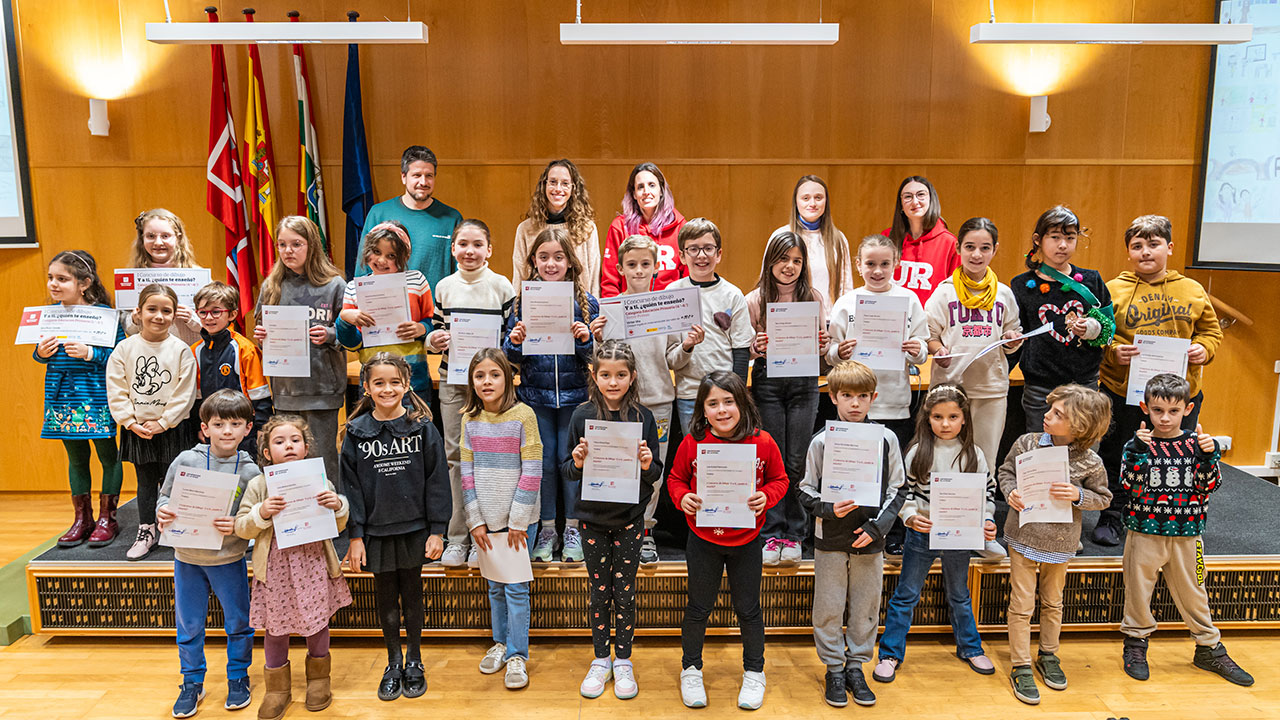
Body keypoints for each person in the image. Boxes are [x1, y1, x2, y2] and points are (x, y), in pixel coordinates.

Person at [1092, 215, 1223, 547]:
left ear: (1169, 247)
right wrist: (1113, 352)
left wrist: (1203, 349)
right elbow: (1098, 337)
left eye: (1153, 244)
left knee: (1176, 456)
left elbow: (1211, 333)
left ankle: (1173, 517)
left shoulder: (1192, 290)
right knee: (1118, 454)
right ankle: (1113, 515)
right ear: (1128, 252)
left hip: (1178, 397)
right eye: (1137, 246)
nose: (1146, 252)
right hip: (1124, 392)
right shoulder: (1112, 290)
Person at [1118, 373, 1253, 687]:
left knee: (1195, 593)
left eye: (1173, 411)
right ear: (1145, 408)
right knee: (1138, 591)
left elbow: (1210, 485)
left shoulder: (1197, 444)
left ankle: (1208, 647)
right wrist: (1138, 452)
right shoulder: (1136, 444)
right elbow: (1129, 487)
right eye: (1157, 411)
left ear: (1188, 409)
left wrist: (1208, 457)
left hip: (1187, 533)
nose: (1165, 418)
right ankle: (1136, 642)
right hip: (1144, 531)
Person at [667, 371, 787, 711]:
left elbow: (780, 479)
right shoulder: (693, 442)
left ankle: (754, 672)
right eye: (713, 403)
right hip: (703, 539)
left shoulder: (763, 442)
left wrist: (767, 496)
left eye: (729, 401)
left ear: (743, 403)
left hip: (746, 540)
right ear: (703, 410)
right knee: (698, 608)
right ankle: (691, 668)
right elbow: (675, 479)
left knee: (749, 609)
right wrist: (682, 497)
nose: (722, 410)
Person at [797, 360, 906, 708]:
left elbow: (898, 489)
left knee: (865, 607)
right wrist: (829, 509)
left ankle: (856, 667)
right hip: (830, 539)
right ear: (833, 397)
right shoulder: (821, 441)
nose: (855, 403)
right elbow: (805, 490)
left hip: (869, 540)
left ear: (874, 397)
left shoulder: (887, 439)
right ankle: (833, 668)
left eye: (862, 396)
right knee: (828, 607)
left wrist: (877, 529)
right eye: (846, 395)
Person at [342, 353, 450, 701]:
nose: (387, 389)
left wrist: (437, 530)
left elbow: (437, 481)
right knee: (386, 599)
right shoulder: (355, 433)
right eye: (378, 383)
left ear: (406, 385)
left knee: (413, 596)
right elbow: (350, 489)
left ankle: (414, 660)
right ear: (367, 388)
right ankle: (393, 662)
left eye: (394, 382)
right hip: (376, 532)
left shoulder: (423, 428)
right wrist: (355, 536)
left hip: (415, 529)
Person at [589, 234, 701, 562]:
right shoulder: (609, 309)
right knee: (618, 467)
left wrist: (688, 345)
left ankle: (646, 530)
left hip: (658, 400)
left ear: (656, 267)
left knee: (652, 469)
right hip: (617, 404)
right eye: (632, 264)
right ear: (620, 268)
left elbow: (674, 359)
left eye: (645, 264)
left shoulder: (665, 307)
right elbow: (601, 361)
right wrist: (596, 338)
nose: (638, 270)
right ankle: (619, 527)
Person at [997, 385, 1112, 705]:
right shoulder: (1026, 443)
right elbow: (1006, 472)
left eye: (1057, 414)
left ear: (1081, 426)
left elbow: (1104, 499)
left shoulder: (1090, 462)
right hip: (1023, 536)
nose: (1046, 415)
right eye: (1050, 409)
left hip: (1061, 543)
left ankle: (1048, 654)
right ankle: (1020, 664)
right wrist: (1010, 492)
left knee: (1052, 602)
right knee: (1021, 604)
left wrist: (1079, 495)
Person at [875, 384, 997, 682]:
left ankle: (971, 648)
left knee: (960, 595)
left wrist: (986, 519)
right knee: (906, 594)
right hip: (922, 535)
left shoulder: (974, 454)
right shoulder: (918, 452)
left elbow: (987, 493)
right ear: (927, 418)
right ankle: (890, 653)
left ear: (964, 418)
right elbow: (903, 492)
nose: (945, 424)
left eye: (953, 417)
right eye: (938, 417)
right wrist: (910, 517)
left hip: (960, 536)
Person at [563, 340, 662, 700]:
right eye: (605, 375)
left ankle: (623, 660)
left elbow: (656, 474)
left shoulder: (643, 418)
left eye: (621, 375)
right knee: (599, 593)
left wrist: (647, 464)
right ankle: (601, 658)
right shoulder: (581, 416)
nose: (613, 382)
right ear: (594, 375)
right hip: (592, 520)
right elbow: (567, 471)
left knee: (625, 593)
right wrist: (577, 461)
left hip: (630, 520)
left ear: (632, 376)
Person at [236, 414, 352, 718]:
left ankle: (319, 680)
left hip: (313, 565)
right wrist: (262, 513)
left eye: (295, 440)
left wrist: (338, 506)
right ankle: (277, 689)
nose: (288, 446)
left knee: (318, 623)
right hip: (276, 570)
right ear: (266, 452)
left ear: (305, 448)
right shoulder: (259, 485)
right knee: (276, 629)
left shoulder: (319, 481)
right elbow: (241, 527)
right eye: (279, 441)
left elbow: (338, 524)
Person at [154, 390, 260, 718]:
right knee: (189, 624)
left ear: (248, 428)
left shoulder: (252, 472)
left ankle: (238, 677)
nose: (227, 431)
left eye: (235, 424)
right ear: (204, 428)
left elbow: (254, 520)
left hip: (228, 560)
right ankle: (192, 682)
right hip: (187, 558)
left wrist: (237, 526)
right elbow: (164, 498)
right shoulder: (186, 461)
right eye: (218, 424)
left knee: (239, 622)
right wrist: (162, 511)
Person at [503, 226, 599, 563]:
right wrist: (515, 341)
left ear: (570, 261)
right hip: (536, 398)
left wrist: (585, 339)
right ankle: (547, 529)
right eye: (543, 257)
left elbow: (597, 358)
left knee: (570, 461)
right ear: (533, 261)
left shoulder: (586, 302)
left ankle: (572, 527)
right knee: (542, 463)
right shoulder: (521, 302)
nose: (551, 264)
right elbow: (510, 358)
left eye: (559, 257)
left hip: (575, 398)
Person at [427, 220, 517, 569]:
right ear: (453, 249)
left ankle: (489, 536)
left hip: (493, 386)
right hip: (454, 382)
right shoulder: (444, 287)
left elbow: (511, 337)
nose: (470, 251)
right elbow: (436, 332)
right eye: (463, 244)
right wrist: (434, 340)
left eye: (477, 244)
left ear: (489, 249)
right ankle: (458, 538)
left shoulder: (502, 286)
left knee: (491, 458)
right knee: (455, 458)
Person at [461, 349, 542, 691]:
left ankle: (517, 654)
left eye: (494, 374)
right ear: (472, 382)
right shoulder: (469, 419)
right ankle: (500, 642)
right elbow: (466, 473)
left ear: (508, 379)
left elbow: (533, 470)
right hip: (485, 521)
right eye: (480, 376)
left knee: (516, 589)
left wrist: (518, 520)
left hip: (518, 523)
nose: (487, 382)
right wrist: (474, 519)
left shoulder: (524, 416)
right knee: (494, 586)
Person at [746, 231, 829, 565]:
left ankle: (794, 533)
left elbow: (823, 348)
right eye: (783, 259)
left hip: (804, 384)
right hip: (767, 383)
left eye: (796, 260)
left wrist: (823, 344)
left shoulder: (814, 297)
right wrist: (756, 347)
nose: (789, 266)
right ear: (770, 261)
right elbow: (746, 348)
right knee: (771, 459)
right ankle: (770, 533)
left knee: (797, 460)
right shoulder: (755, 299)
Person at [36, 250, 126, 548]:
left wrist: (91, 353)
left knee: (107, 456)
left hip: (95, 395)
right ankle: (82, 519)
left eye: (62, 279)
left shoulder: (104, 316)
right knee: (76, 458)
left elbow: (122, 354)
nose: (53, 284)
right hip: (60, 397)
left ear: (84, 283)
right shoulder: (49, 315)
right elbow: (40, 353)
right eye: (51, 278)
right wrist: (41, 353)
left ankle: (107, 518)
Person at [925, 217, 1022, 494]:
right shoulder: (944, 292)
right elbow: (928, 335)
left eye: (984, 248)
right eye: (969, 247)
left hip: (991, 389)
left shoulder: (1004, 293)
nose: (976, 254)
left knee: (985, 458)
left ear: (995, 249)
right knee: (946, 457)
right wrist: (938, 349)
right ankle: (945, 512)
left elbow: (1012, 335)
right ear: (958, 248)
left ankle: (982, 513)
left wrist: (1012, 340)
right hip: (950, 388)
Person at [107, 283, 198, 560]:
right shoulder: (124, 349)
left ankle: (178, 530)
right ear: (138, 312)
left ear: (174, 315)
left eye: (166, 311)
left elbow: (186, 393)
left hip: (173, 427)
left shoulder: (181, 350)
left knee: (177, 480)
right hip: (138, 428)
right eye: (152, 309)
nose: (159, 316)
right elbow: (117, 389)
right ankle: (147, 531)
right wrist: (129, 421)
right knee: (145, 481)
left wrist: (165, 421)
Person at [254, 216, 347, 486]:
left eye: (296, 244)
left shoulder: (334, 285)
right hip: (286, 391)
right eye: (282, 244)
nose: (288, 251)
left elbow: (353, 335)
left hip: (322, 389)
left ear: (312, 246)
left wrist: (331, 334)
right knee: (289, 463)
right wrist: (262, 338)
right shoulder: (272, 286)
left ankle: (331, 511)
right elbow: (262, 332)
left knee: (323, 461)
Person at [1010, 206, 1114, 432]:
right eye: (1055, 237)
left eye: (1070, 238)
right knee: (1042, 448)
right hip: (1040, 387)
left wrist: (1092, 329)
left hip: (1084, 384)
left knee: (1085, 446)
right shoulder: (1020, 285)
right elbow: (1017, 335)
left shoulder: (1092, 280)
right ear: (1038, 240)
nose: (1063, 245)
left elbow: (1109, 330)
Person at [827, 234, 928, 453]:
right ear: (858, 265)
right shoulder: (846, 302)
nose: (878, 271)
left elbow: (922, 350)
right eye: (870, 264)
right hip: (853, 404)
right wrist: (839, 353)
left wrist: (917, 349)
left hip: (895, 403)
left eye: (885, 264)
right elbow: (830, 353)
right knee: (855, 463)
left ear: (896, 263)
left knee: (891, 464)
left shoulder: (909, 299)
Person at [664, 218, 755, 435]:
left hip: (725, 396)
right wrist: (687, 346)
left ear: (719, 254)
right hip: (689, 394)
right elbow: (670, 358)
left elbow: (741, 350)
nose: (701, 255)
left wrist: (736, 396)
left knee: (726, 450)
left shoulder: (732, 295)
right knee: (694, 450)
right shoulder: (671, 293)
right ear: (682, 256)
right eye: (693, 249)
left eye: (708, 248)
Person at [336, 220, 437, 404]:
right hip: (373, 380)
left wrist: (422, 328)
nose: (382, 260)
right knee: (374, 422)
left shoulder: (416, 280)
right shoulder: (354, 288)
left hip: (413, 377)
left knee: (416, 420)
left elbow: (433, 322)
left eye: (391, 255)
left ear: (404, 257)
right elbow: (352, 344)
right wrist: (344, 319)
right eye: (376, 252)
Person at [357, 145, 463, 290]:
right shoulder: (378, 213)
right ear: (403, 177)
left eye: (429, 176)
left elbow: (460, 274)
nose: (423, 182)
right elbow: (363, 269)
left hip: (436, 304)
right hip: (388, 302)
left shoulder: (452, 219)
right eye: (417, 175)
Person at [191, 282, 272, 458]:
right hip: (213, 430)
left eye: (216, 312)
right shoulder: (195, 350)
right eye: (203, 312)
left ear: (232, 314)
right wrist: (199, 426)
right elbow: (197, 396)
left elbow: (259, 393)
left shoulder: (244, 348)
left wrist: (262, 428)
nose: (209, 317)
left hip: (243, 430)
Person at [513, 159, 601, 295]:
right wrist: (518, 306)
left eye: (565, 183)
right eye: (553, 182)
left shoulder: (587, 228)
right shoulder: (525, 229)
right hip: (537, 304)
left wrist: (594, 306)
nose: (558, 189)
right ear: (544, 185)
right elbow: (519, 276)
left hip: (579, 305)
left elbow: (594, 276)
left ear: (573, 188)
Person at [600, 162, 686, 297]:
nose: (646, 192)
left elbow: (687, 276)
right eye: (640, 187)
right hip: (630, 305)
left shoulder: (680, 226)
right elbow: (610, 281)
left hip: (669, 304)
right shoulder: (620, 227)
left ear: (661, 190)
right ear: (634, 194)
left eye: (652, 185)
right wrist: (614, 308)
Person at [771, 174, 853, 310]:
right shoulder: (781, 235)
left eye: (818, 198)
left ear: (826, 201)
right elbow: (767, 282)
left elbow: (846, 287)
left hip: (827, 318)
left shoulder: (838, 239)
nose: (813, 203)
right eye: (806, 198)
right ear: (796, 202)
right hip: (789, 316)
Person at [125, 208, 205, 346]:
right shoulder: (131, 277)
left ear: (178, 238)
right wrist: (134, 319)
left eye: (165, 236)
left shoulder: (198, 276)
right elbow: (127, 330)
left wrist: (192, 318)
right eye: (150, 236)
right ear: (142, 239)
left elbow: (213, 323)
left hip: (190, 353)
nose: (158, 242)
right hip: (150, 354)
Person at [883, 176, 959, 305]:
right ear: (901, 204)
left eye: (921, 195)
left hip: (931, 317)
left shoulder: (949, 243)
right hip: (891, 315)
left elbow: (954, 292)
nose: (915, 202)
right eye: (908, 197)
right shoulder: (887, 238)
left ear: (931, 199)